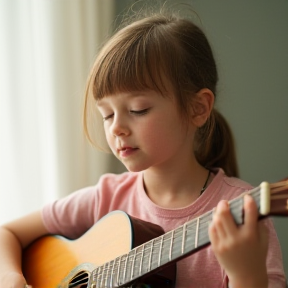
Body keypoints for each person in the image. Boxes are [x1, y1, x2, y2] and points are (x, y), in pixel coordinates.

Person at [0, 8, 286, 288]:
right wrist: (12, 279)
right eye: (107, 115)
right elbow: (7, 233)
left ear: (198, 108)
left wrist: (247, 276)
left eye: (138, 109)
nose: (116, 128)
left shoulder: (244, 217)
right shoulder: (107, 198)